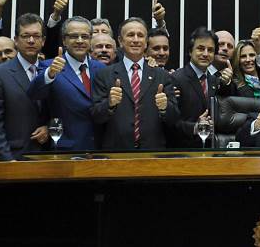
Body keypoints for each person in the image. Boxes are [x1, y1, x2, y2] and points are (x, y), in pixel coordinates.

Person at [92, 17, 179, 149]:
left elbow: (174, 119)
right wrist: (109, 104)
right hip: (116, 152)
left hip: (152, 151)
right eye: (131, 35)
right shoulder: (104, 74)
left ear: (146, 42)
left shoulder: (162, 76)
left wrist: (165, 107)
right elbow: (96, 116)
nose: (136, 40)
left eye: (140, 35)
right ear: (120, 41)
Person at [28, 16, 105, 152]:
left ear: (90, 40)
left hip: (101, 148)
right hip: (67, 149)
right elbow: (34, 94)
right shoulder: (49, 66)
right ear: (64, 40)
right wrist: (50, 74)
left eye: (84, 36)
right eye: (74, 36)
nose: (80, 41)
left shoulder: (101, 68)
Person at [0, 13, 51, 161]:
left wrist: (49, 127)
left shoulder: (51, 70)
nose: (31, 40)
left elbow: (58, 110)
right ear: (16, 40)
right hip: (14, 156)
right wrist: (8, 159)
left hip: (49, 155)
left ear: (43, 41)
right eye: (25, 36)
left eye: (36, 36)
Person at [169, 27, 223, 148]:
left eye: (210, 50)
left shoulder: (214, 80)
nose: (205, 54)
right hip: (182, 150)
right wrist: (194, 127)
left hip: (209, 149)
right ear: (190, 51)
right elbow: (169, 121)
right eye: (200, 48)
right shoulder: (176, 79)